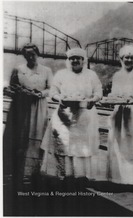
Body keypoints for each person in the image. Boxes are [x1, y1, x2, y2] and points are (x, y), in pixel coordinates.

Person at [40, 48, 102, 188]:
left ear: (83, 60)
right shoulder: (61, 74)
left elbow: (98, 91)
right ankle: (65, 175)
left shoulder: (91, 75)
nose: (75, 60)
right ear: (68, 60)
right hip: (64, 114)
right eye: (72, 58)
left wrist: (93, 99)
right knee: (64, 145)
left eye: (78, 58)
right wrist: (59, 98)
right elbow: (53, 91)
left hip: (84, 115)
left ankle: (81, 176)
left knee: (82, 146)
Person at [3, 43, 53, 190]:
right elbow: (11, 87)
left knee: (38, 138)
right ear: (24, 56)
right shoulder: (18, 69)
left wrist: (40, 94)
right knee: (21, 140)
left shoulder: (47, 70)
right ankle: (18, 174)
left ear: (37, 54)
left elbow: (50, 88)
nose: (30, 57)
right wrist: (15, 92)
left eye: (32, 54)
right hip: (21, 108)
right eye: (27, 55)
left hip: (39, 107)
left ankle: (35, 174)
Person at [106, 45, 133, 185]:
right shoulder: (117, 76)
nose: (129, 60)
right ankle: (122, 177)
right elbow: (115, 94)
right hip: (121, 113)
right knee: (120, 143)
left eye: (132, 58)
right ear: (121, 59)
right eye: (126, 57)